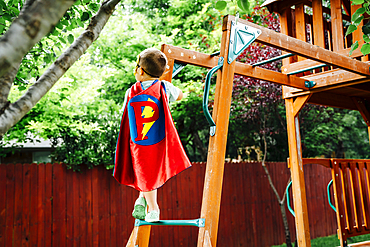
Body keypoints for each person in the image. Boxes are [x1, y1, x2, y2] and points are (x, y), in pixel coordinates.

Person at [113, 48, 191, 222]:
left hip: (138, 142)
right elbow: (180, 96)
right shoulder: (164, 87)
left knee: (144, 171)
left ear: (140, 71)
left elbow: (127, 114)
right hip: (158, 140)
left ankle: (153, 208)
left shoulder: (130, 91)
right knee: (150, 172)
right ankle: (142, 201)